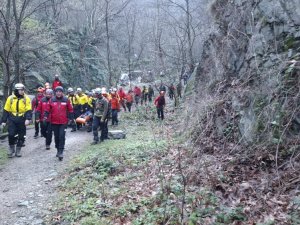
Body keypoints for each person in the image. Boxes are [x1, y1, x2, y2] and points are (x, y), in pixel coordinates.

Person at [1, 83, 32, 158]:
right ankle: (11, 149)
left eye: (23, 90)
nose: (22, 91)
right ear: (16, 90)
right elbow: (6, 110)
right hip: (12, 118)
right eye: (21, 90)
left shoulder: (26, 98)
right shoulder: (10, 98)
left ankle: (18, 150)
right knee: (11, 134)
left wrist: (28, 119)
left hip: (22, 118)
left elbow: (28, 109)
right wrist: (4, 121)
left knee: (22, 135)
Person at [44, 86, 74, 161]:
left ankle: (61, 151)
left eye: (60, 91)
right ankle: (57, 149)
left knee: (62, 136)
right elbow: (47, 109)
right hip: (54, 122)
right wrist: (45, 117)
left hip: (63, 122)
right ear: (55, 92)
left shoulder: (66, 100)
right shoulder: (52, 100)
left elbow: (70, 110)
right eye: (57, 91)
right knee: (56, 137)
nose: (58, 93)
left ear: (62, 92)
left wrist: (71, 118)